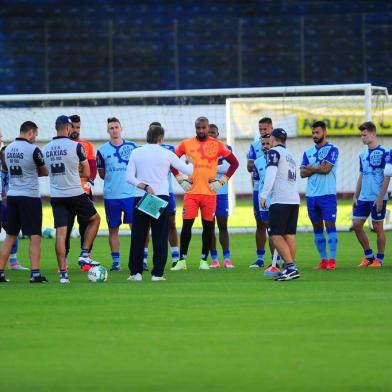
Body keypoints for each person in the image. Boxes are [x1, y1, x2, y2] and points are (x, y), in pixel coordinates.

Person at [125, 125, 193, 281]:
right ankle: (157, 273)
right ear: (161, 138)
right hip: (160, 197)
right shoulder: (167, 153)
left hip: (141, 196)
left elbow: (128, 177)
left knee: (138, 236)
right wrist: (191, 162)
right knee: (160, 236)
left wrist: (144, 186)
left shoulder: (136, 152)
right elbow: (188, 171)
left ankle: (135, 273)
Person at [171, 116, 239, 271]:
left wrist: (222, 181)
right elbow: (171, 161)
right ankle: (182, 261)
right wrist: (180, 179)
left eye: (203, 128)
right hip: (192, 193)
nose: (201, 131)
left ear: (208, 128)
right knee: (186, 226)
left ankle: (204, 260)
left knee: (208, 227)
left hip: (210, 194)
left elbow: (235, 163)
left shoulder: (218, 145)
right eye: (198, 128)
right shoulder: (186, 144)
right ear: (195, 128)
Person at [43, 115, 101, 283]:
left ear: (56, 127)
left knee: (61, 233)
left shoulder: (46, 149)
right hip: (75, 193)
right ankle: (84, 254)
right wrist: (75, 172)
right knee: (95, 219)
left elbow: (45, 171)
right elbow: (87, 173)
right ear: (68, 128)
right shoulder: (76, 147)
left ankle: (63, 275)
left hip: (57, 196)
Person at [0, 121, 48, 283]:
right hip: (29, 196)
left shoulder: (7, 149)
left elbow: (6, 169)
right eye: (35, 134)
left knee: (10, 235)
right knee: (34, 235)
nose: (35, 137)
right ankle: (35, 274)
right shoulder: (33, 150)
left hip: (12, 195)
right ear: (31, 132)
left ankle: (0, 272)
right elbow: (44, 171)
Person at [96, 117, 137, 271]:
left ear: (121, 128)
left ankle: (139, 259)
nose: (114, 130)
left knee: (136, 228)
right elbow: (101, 173)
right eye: (111, 128)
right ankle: (116, 262)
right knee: (113, 229)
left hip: (130, 195)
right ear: (108, 131)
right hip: (111, 196)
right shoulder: (102, 150)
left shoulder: (133, 147)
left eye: (116, 127)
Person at [260, 128, 300, 281]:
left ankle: (290, 267)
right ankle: (291, 267)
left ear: (273, 139)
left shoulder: (273, 152)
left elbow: (271, 174)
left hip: (280, 199)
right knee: (289, 235)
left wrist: (264, 194)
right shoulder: (289, 155)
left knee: (275, 235)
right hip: (293, 199)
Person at [300, 121, 339, 270]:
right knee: (317, 227)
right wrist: (317, 167)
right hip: (311, 196)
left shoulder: (333, 149)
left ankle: (332, 260)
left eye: (317, 132)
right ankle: (323, 260)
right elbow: (302, 173)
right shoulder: (307, 152)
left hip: (327, 195)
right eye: (313, 133)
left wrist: (312, 168)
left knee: (330, 226)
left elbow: (327, 169)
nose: (314, 135)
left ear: (325, 132)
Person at [352, 121, 389, 267]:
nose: (362, 137)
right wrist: (356, 195)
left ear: (373, 134)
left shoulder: (385, 153)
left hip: (377, 197)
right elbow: (361, 175)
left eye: (364, 135)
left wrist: (381, 197)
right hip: (363, 197)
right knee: (356, 224)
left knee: (377, 226)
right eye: (361, 135)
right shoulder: (362, 154)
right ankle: (368, 256)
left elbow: (387, 176)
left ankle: (379, 259)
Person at [65, 114, 97, 262]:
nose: (76, 130)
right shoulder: (62, 145)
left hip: (84, 191)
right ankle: (64, 256)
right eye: (73, 127)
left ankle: (86, 254)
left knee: (86, 223)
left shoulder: (87, 145)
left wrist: (90, 180)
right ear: (68, 127)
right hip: (67, 190)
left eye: (78, 127)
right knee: (67, 225)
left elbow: (93, 166)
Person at [149, 121, 180, 268]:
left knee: (171, 224)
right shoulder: (143, 150)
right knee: (149, 225)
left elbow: (176, 168)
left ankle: (175, 257)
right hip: (150, 193)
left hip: (167, 192)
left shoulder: (169, 150)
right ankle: (144, 259)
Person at [253, 133, 282, 275]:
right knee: (268, 230)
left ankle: (277, 260)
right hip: (263, 201)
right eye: (263, 144)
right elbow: (257, 182)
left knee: (277, 231)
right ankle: (274, 260)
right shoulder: (258, 162)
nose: (265, 147)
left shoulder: (279, 158)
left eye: (267, 144)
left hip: (277, 199)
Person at [247, 117, 274, 267]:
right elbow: (249, 166)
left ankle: (276, 259)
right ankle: (260, 258)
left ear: (271, 128)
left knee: (273, 225)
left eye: (265, 129)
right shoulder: (255, 145)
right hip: (258, 188)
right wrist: (260, 160)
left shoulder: (277, 144)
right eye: (260, 129)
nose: (262, 132)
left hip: (274, 190)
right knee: (260, 223)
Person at [207, 123, 234, 268]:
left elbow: (229, 167)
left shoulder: (226, 148)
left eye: (213, 133)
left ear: (218, 135)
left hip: (222, 192)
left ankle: (227, 258)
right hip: (206, 192)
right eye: (208, 133)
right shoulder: (200, 149)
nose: (211, 135)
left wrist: (209, 167)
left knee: (223, 225)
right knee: (209, 226)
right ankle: (214, 259)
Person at [0, 144, 28, 270]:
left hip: (11, 206)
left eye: (8, 156)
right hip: (2, 206)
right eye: (4, 156)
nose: (7, 159)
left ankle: (14, 262)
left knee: (13, 232)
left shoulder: (15, 172)